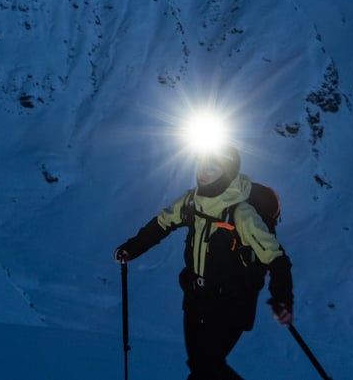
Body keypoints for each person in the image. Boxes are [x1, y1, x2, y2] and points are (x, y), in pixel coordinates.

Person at [114, 145, 293, 380]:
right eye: (201, 165)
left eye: (212, 168)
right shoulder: (191, 201)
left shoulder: (240, 213)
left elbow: (276, 257)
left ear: (227, 172)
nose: (203, 173)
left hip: (232, 303)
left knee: (205, 367)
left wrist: (282, 298)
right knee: (200, 365)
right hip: (196, 298)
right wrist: (132, 248)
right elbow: (161, 224)